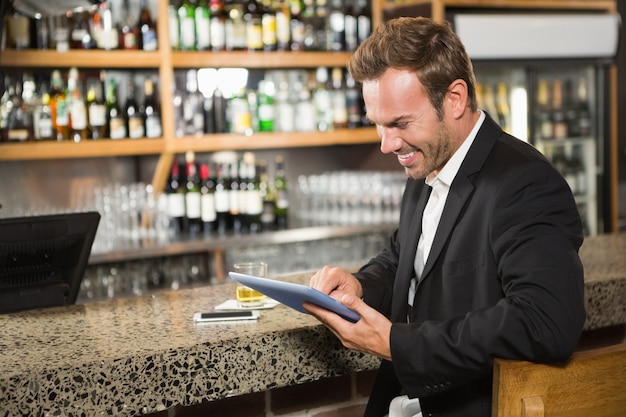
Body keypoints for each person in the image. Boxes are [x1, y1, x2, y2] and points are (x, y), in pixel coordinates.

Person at [304, 16, 586, 417]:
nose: (386, 144)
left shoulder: (525, 182)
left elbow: (546, 322)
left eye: (399, 123)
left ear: (454, 98)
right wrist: (360, 286)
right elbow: (405, 259)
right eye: (379, 125)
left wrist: (396, 343)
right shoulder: (428, 161)